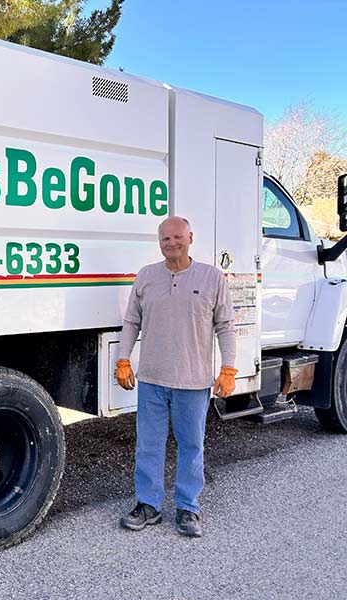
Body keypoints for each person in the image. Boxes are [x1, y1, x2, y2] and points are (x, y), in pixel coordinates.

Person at [116, 216, 237, 538]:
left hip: (193, 382)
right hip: (152, 379)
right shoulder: (147, 276)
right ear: (160, 243)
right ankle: (148, 505)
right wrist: (122, 360)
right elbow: (131, 322)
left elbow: (225, 325)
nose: (172, 243)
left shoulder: (211, 277)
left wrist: (229, 369)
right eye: (165, 239)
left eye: (177, 237)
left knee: (191, 446)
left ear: (190, 237)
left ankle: (188, 507)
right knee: (148, 447)